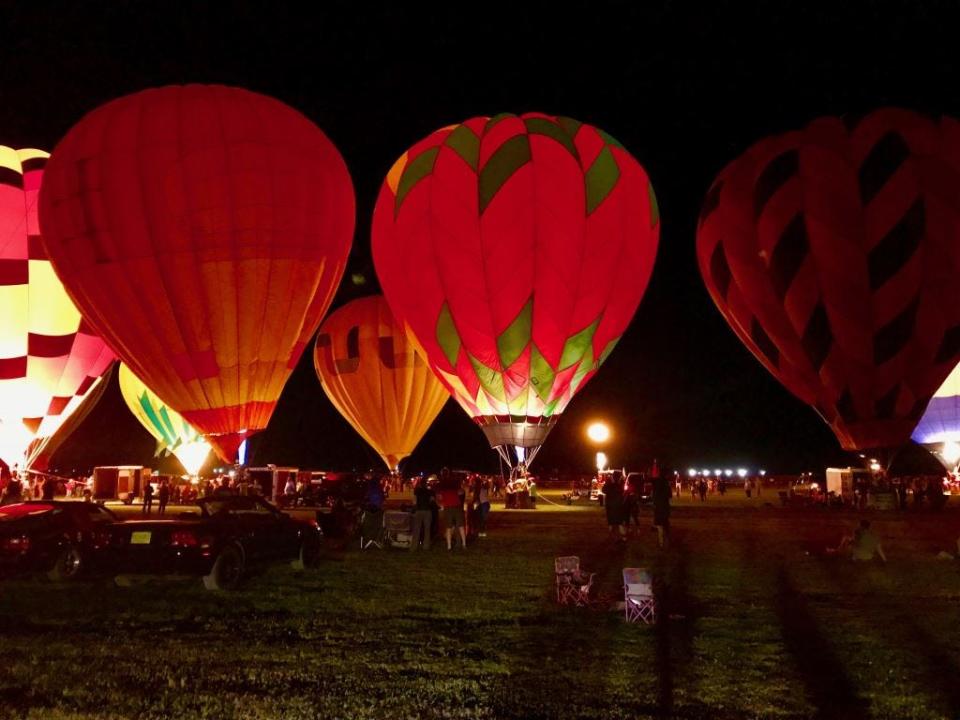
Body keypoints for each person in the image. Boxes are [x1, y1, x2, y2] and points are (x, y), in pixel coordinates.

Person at [436, 471, 466, 550]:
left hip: (448, 507)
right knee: (460, 526)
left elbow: (439, 498)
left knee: (448, 527)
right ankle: (463, 544)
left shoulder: (443, 489)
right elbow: (461, 492)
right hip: (457, 507)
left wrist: (441, 501)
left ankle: (449, 546)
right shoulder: (455, 487)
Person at [411, 476, 435, 550]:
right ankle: (426, 546)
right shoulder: (430, 491)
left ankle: (414, 546)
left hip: (419, 510)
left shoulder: (417, 490)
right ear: (426, 484)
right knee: (427, 529)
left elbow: (414, 501)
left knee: (417, 529)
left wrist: (414, 508)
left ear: (420, 484)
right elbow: (432, 500)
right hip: (427, 511)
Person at [603, 471, 626, 541]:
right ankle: (623, 537)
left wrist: (608, 482)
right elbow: (623, 493)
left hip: (611, 507)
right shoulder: (620, 485)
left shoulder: (609, 485)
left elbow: (603, 490)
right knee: (619, 523)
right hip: (618, 506)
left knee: (611, 522)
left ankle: (612, 536)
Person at [652, 474, 671, 548]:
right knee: (665, 526)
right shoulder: (666, 487)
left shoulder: (656, 490)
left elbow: (654, 500)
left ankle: (661, 543)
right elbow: (670, 496)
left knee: (660, 527)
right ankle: (666, 542)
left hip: (659, 509)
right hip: (665, 508)